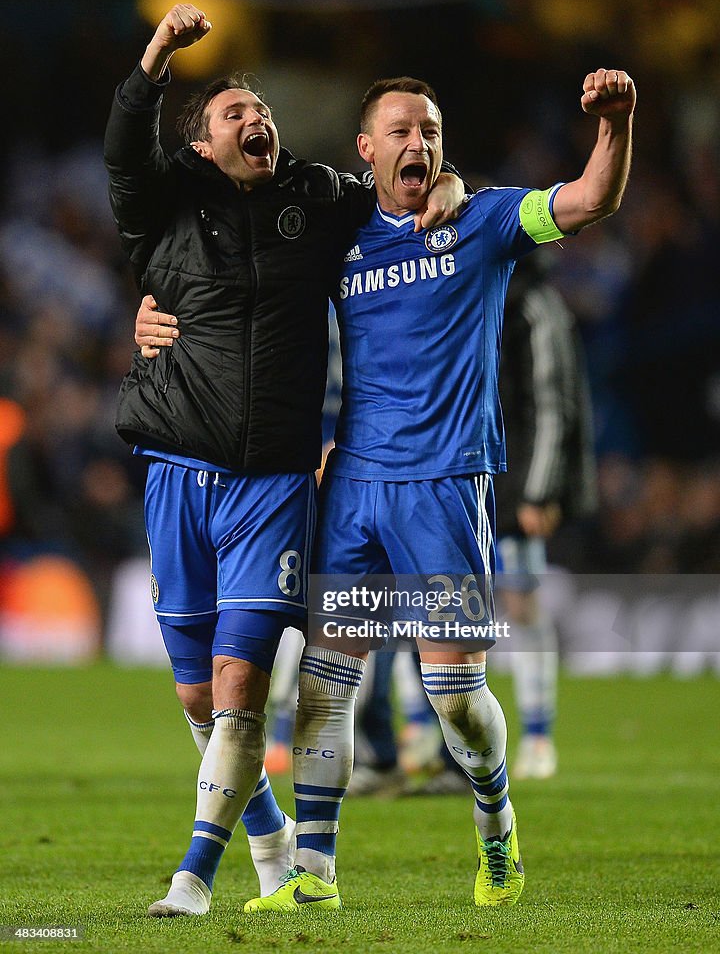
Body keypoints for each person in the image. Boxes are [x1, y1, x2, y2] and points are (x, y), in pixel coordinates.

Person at [138, 66, 635, 909]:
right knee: (326, 683)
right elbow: (240, 283)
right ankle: (314, 876)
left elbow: (589, 200)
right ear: (366, 150)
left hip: (444, 485)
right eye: (400, 130)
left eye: (430, 130)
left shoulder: (480, 219)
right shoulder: (340, 235)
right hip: (355, 483)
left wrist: (616, 126)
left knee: (455, 701)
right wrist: (152, 314)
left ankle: (497, 823)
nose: (420, 142)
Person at [105, 3, 463, 918]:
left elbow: (399, 189)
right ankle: (269, 847)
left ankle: (193, 875)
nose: (254, 115)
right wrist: (156, 61)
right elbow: (122, 152)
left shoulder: (318, 197)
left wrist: (449, 184)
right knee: (200, 698)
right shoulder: (167, 205)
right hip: (178, 469)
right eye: (232, 111)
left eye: (257, 105)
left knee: (240, 684)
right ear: (200, 146)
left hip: (271, 482)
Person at [494, 256, 598, 780]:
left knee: (521, 604)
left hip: (514, 483)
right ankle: (423, 734)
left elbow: (552, 406)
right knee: (434, 604)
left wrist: (537, 490)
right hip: (470, 475)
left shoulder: (532, 305)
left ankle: (538, 736)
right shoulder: (475, 293)